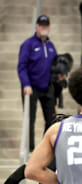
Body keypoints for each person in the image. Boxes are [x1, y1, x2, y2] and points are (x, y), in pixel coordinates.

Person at [18, 15, 57, 151]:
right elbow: (22, 66)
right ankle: (29, 149)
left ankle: (47, 149)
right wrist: (26, 84)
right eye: (41, 25)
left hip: (47, 87)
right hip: (32, 87)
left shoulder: (51, 46)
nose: (43, 28)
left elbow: (55, 65)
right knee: (30, 120)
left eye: (46, 26)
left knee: (51, 119)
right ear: (36, 27)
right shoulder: (28, 44)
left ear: (49, 28)